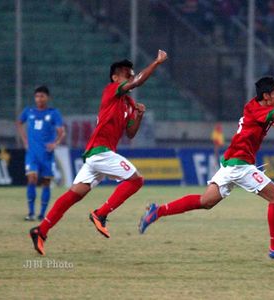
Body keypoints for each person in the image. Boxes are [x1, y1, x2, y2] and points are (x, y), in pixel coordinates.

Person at [138, 76, 274, 261]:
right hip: (240, 165)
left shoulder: (255, 106)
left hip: (230, 163)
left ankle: (158, 211)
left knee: (206, 202)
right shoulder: (260, 111)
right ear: (266, 96)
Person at [29, 50, 168, 255]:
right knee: (136, 180)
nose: (130, 73)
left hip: (101, 155)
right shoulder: (111, 90)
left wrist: (138, 116)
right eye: (125, 72)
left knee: (74, 194)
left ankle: (41, 230)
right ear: (115, 77)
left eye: (131, 71)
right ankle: (100, 214)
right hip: (100, 152)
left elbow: (130, 133)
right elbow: (138, 82)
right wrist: (156, 62)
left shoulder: (129, 104)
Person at [17, 86, 65, 221]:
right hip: (32, 154)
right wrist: (24, 139)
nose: (39, 99)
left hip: (47, 155)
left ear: (47, 98)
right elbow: (19, 123)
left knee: (46, 182)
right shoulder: (29, 111)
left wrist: (55, 143)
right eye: (37, 96)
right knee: (31, 178)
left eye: (42, 96)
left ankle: (42, 214)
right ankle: (31, 213)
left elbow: (61, 132)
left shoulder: (54, 113)